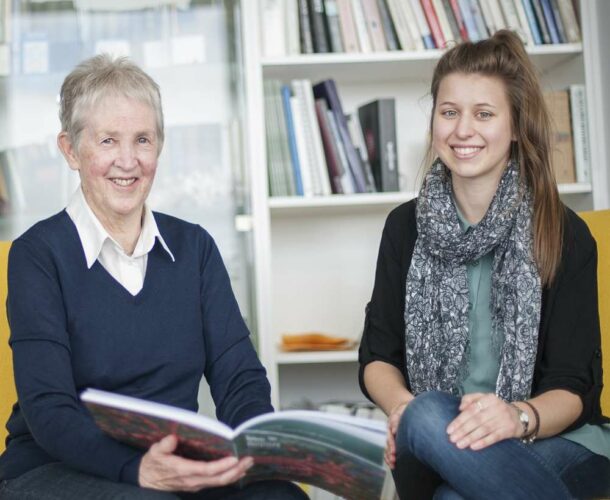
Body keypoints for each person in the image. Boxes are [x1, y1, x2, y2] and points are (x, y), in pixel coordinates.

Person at [0, 55, 307, 500]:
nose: (128, 161)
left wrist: (252, 451)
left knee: (279, 496)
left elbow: (238, 377)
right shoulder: (38, 255)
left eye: (142, 140)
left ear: (159, 147)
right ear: (70, 149)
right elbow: (49, 411)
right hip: (54, 468)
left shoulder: (194, 248)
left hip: (173, 462)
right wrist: (137, 469)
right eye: (107, 141)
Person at [358, 30, 610, 499]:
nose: (462, 130)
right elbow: (377, 356)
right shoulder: (404, 228)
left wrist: (514, 417)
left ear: (515, 126)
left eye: (484, 114)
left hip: (558, 441)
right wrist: (405, 412)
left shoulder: (564, 232)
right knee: (430, 417)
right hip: (439, 438)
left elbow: (574, 387)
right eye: (449, 112)